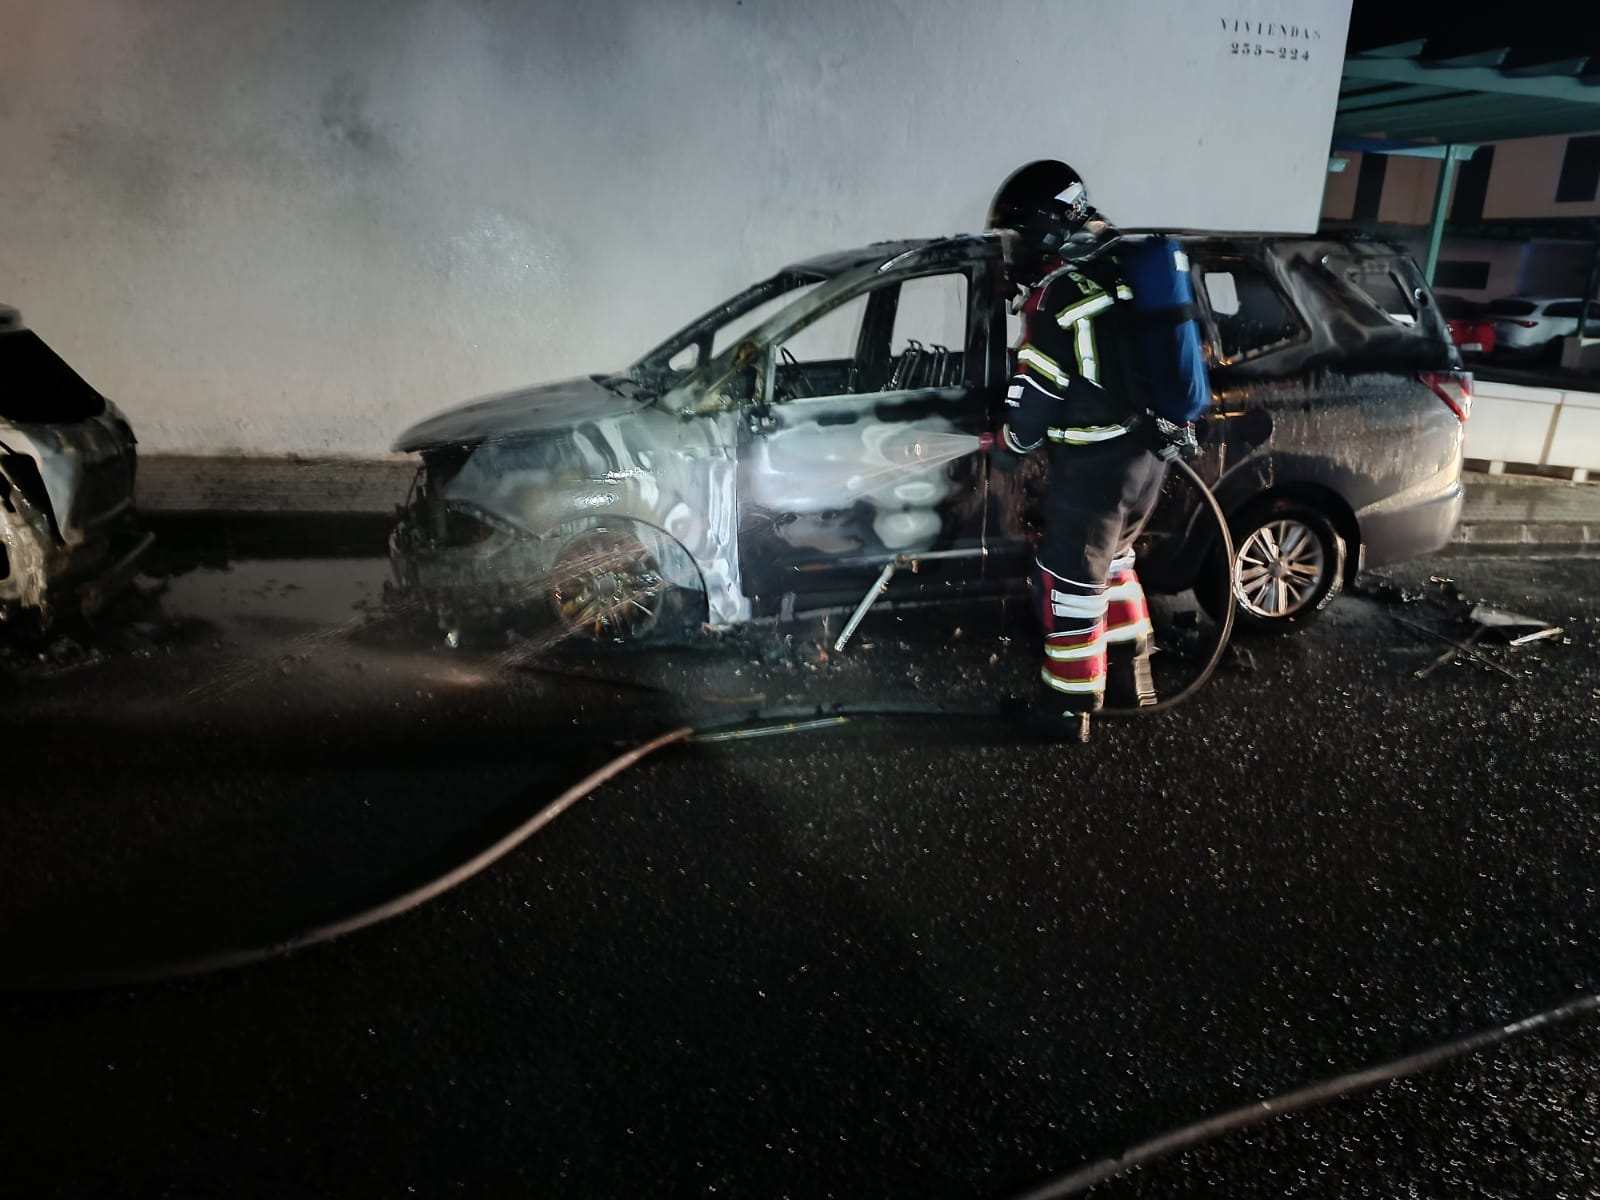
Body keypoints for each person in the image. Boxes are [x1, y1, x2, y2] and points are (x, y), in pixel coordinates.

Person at [987, 160, 1176, 730]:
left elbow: (1036, 394)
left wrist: (1009, 444)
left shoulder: (1060, 293)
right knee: (1115, 564)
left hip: (1094, 466)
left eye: (1017, 235)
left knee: (1068, 583)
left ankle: (1067, 708)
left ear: (1045, 230)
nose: (1013, 248)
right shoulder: (1123, 268)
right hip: (1147, 459)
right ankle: (1130, 680)